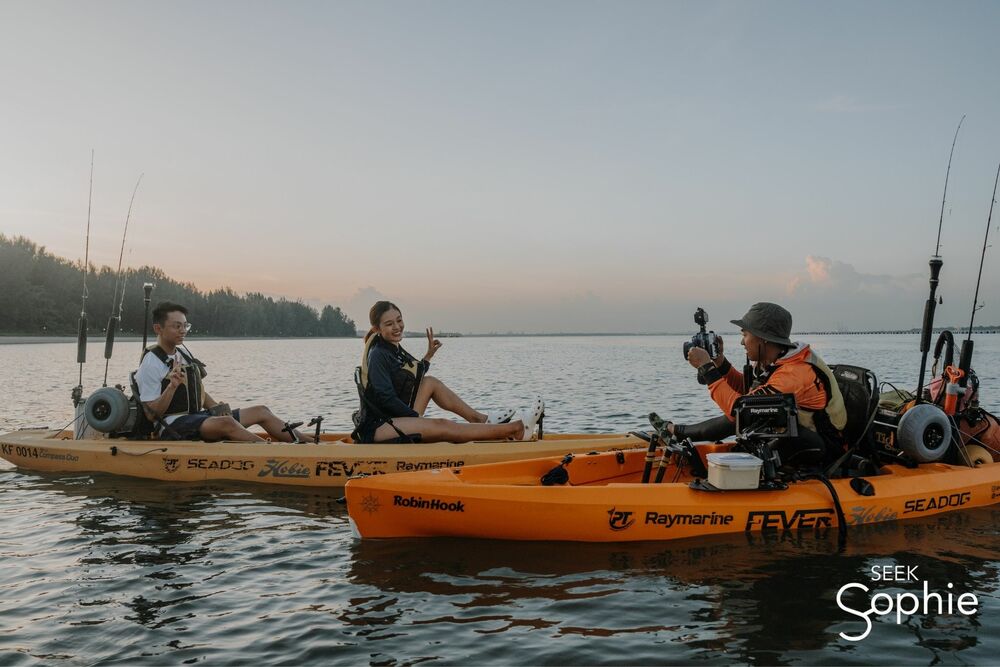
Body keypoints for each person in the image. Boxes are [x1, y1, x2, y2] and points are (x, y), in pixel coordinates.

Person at [662, 302, 848, 461]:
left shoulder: (794, 375)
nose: (742, 342)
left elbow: (739, 411)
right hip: (795, 436)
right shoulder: (780, 360)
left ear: (763, 339)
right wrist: (719, 362)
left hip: (819, 447)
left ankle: (679, 432)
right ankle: (679, 432)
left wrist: (707, 369)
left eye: (745, 335)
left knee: (748, 415)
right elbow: (748, 390)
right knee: (755, 411)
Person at [352, 301, 544, 443]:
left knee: (430, 382)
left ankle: (482, 420)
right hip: (378, 426)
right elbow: (385, 397)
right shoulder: (378, 354)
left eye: (399, 320)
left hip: (395, 416)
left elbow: (412, 378)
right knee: (442, 425)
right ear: (377, 328)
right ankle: (516, 429)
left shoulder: (392, 347)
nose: (397, 327)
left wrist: (427, 357)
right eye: (389, 324)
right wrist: (416, 420)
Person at [136, 301, 304, 442]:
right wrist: (171, 387)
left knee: (261, 411)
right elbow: (151, 414)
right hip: (170, 426)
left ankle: (311, 445)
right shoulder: (151, 363)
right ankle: (272, 451)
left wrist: (216, 408)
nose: (183, 330)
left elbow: (198, 391)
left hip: (196, 418)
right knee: (227, 423)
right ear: (158, 329)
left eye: (185, 325)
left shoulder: (183, 353)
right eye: (177, 326)